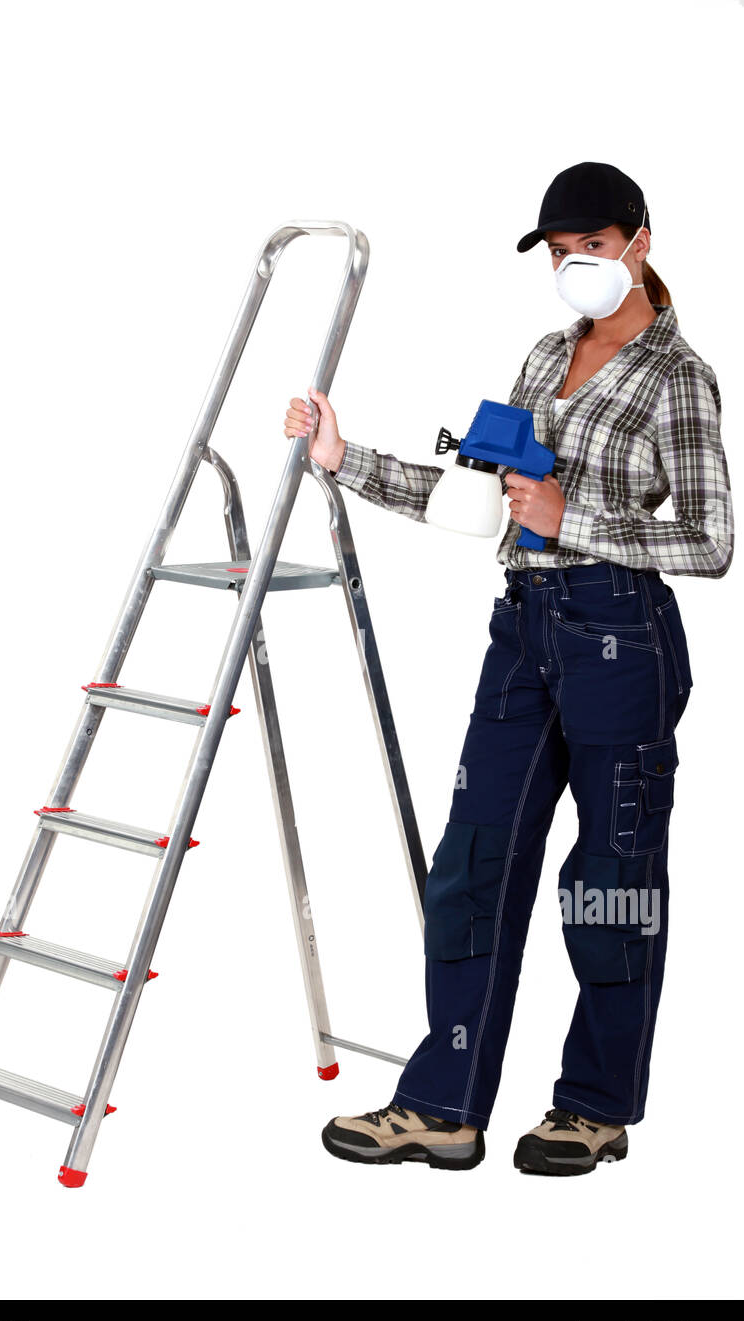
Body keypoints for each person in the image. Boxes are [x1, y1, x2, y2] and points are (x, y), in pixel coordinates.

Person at [283, 162, 733, 1176]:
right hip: (521, 631)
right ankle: (440, 1104)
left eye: (589, 249)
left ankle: (592, 1106)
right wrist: (342, 460)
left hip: (620, 638)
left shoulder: (675, 376)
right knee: (470, 868)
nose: (573, 268)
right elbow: (481, 497)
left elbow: (709, 541)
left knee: (608, 884)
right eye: (559, 254)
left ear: (637, 243)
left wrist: (576, 520)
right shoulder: (543, 356)